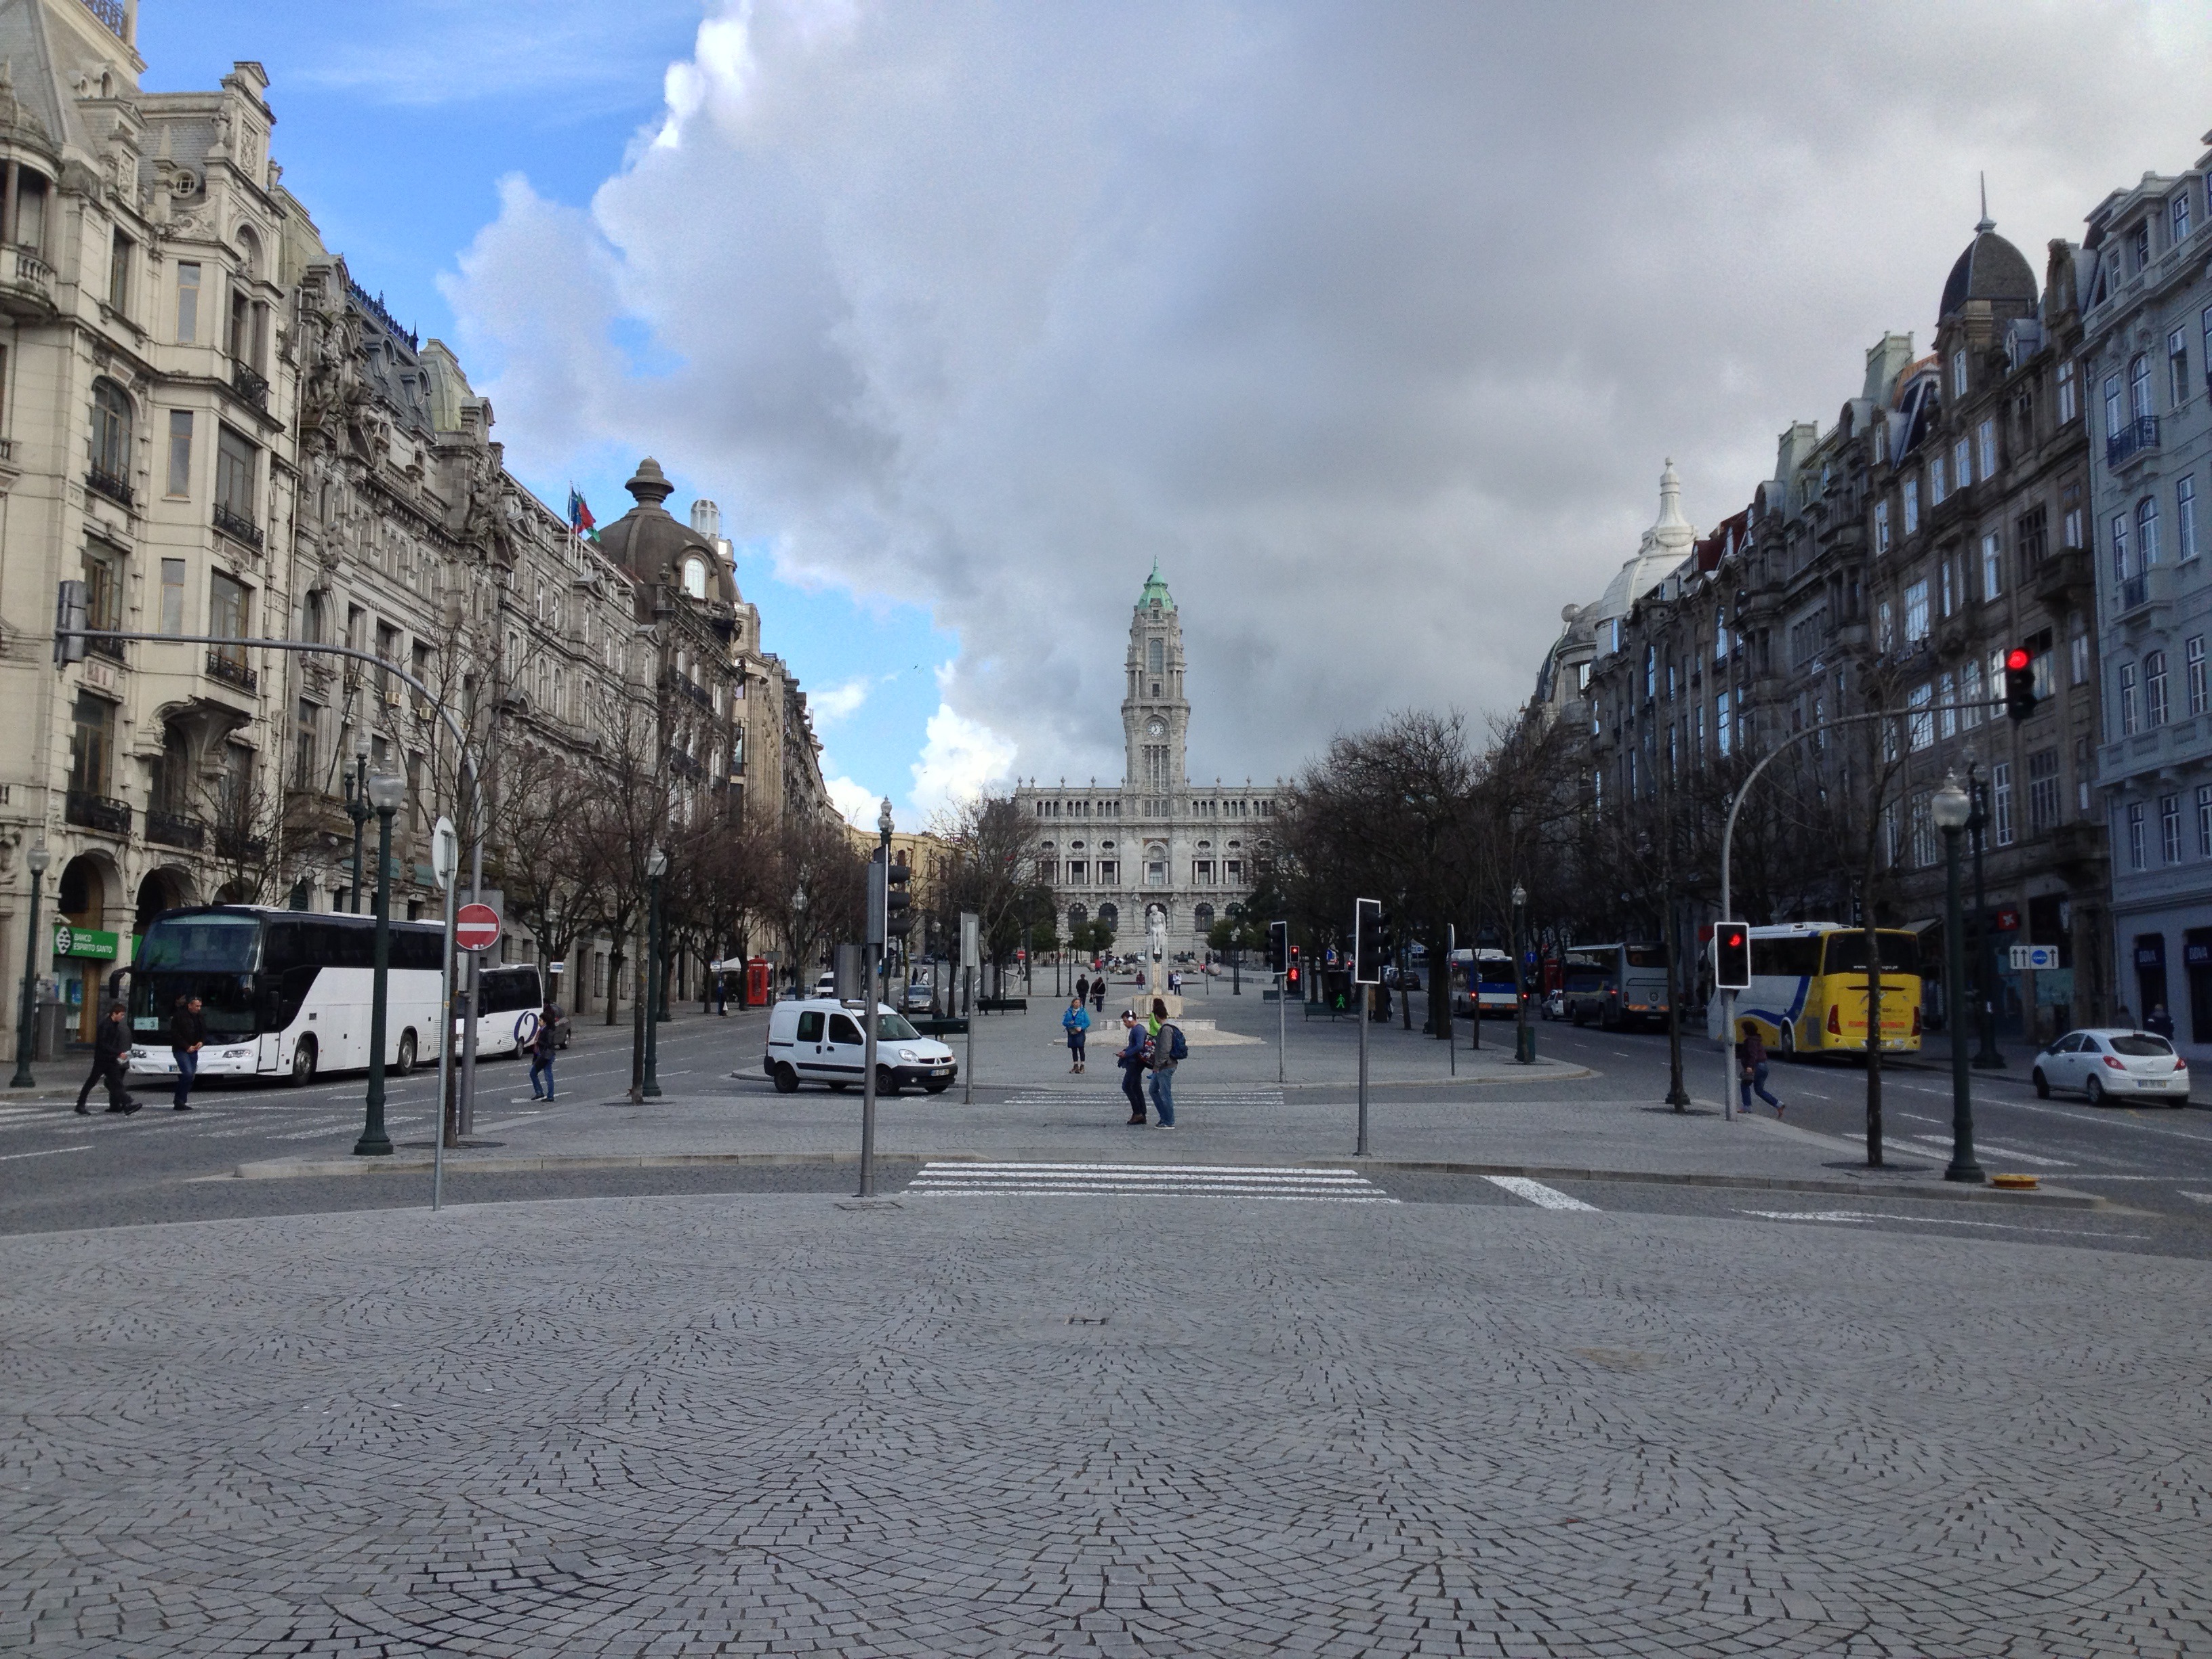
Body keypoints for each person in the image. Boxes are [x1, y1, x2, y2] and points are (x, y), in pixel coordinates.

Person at [77, 1003, 141, 1116]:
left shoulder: (114, 1024)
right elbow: (103, 1044)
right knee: (92, 1082)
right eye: (121, 1015)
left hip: (111, 1060)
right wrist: (118, 1053)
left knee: (117, 1083)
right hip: (102, 1060)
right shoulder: (105, 1025)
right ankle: (80, 1104)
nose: (122, 1017)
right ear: (114, 1014)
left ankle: (126, 1105)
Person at [168, 994, 205, 1111]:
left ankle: (181, 1100)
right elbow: (175, 1034)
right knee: (188, 1073)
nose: (199, 1008)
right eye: (197, 1006)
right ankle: (179, 1100)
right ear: (190, 1005)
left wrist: (201, 1042)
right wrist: (186, 1046)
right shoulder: (179, 1016)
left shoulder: (199, 1017)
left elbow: (204, 1031)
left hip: (194, 1049)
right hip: (181, 1050)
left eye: (200, 1006)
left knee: (191, 1076)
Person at [1738, 1020, 1782, 1115]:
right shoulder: (1756, 1040)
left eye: (1743, 1030)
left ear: (1747, 1031)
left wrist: (1749, 1066)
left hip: (1757, 1067)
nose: (1742, 1032)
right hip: (1763, 1067)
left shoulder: (1751, 1041)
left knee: (1745, 1085)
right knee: (1759, 1090)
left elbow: (1753, 1055)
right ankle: (1778, 1105)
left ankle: (1747, 1106)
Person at [1148, 996, 1180, 1128]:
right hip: (1162, 1066)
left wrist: (1157, 1065)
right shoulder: (1167, 1027)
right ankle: (1164, 1117)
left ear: (1157, 1016)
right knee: (1153, 1090)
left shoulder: (1166, 1029)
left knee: (1165, 1094)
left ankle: (1169, 1121)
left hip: (1166, 1066)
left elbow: (1165, 1049)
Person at [1115, 1011, 1149, 1124]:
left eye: (1125, 1021)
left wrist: (1127, 1054)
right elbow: (1134, 1045)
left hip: (1135, 1062)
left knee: (1127, 1086)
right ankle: (1141, 1113)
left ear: (1131, 1019)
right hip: (1135, 1061)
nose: (1124, 1024)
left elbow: (1139, 1046)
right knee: (1136, 1087)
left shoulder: (1138, 1030)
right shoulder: (1137, 1029)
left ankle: (1138, 1112)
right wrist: (1125, 1051)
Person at [528, 1005, 558, 1100]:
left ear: (545, 1022)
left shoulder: (547, 1031)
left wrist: (538, 1041)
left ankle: (549, 1095)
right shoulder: (543, 1030)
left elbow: (548, 1044)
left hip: (546, 1056)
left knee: (547, 1075)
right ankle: (540, 1092)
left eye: (540, 1021)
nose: (539, 1022)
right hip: (543, 1055)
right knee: (534, 1073)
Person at [1063, 996, 1090, 1073]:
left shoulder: (1083, 1012)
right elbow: (1064, 1022)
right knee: (1074, 1049)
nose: (1077, 1004)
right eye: (1076, 1003)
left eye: (1079, 1003)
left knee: (1081, 1048)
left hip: (1080, 1032)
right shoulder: (1068, 1012)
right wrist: (1070, 1024)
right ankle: (1075, 1066)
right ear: (1073, 1003)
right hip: (1071, 1032)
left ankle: (1082, 1066)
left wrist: (1081, 1027)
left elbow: (1088, 1022)